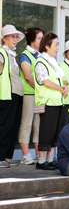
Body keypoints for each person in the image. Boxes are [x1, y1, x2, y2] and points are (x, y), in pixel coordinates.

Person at [34, 32, 69, 170]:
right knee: (46, 131)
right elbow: (46, 82)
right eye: (56, 45)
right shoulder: (41, 62)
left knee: (56, 131)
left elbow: (58, 80)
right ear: (47, 46)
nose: (58, 47)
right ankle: (41, 161)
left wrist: (64, 88)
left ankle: (50, 159)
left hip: (58, 101)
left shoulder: (53, 62)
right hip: (48, 102)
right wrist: (61, 89)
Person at [0, 25, 25, 168]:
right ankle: (0, 156)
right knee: (4, 126)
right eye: (12, 36)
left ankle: (7, 156)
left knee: (13, 127)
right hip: (6, 95)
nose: (15, 39)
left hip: (16, 94)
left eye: (16, 37)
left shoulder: (12, 54)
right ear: (4, 38)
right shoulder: (1, 53)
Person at [19, 28, 44, 165]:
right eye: (39, 38)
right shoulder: (25, 55)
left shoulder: (39, 55)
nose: (41, 41)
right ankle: (25, 155)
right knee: (27, 124)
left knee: (38, 126)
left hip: (39, 95)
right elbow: (28, 77)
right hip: (29, 94)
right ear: (31, 39)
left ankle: (37, 154)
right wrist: (41, 88)